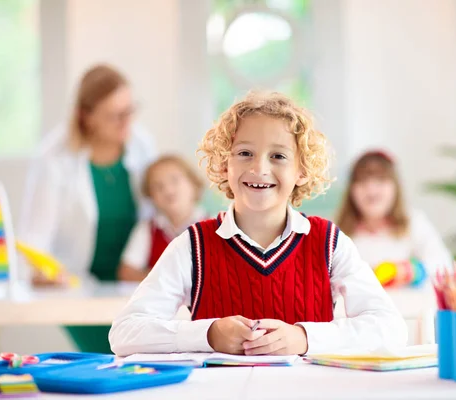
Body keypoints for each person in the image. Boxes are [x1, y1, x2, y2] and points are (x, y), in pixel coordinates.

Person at [109, 91, 407, 357]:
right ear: (225, 165)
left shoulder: (329, 242)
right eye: (244, 153)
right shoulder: (192, 245)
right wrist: (208, 334)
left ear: (301, 170)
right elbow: (124, 333)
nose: (259, 168)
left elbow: (390, 329)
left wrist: (304, 337)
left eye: (278, 156)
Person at [19, 64, 156, 353]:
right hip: (79, 290)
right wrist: (42, 272)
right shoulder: (53, 158)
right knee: (108, 363)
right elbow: (34, 239)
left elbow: (156, 214)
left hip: (133, 288)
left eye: (130, 110)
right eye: (115, 115)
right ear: (86, 115)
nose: (126, 122)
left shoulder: (141, 144)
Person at [336, 150, 452, 286]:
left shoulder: (413, 222)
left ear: (395, 187)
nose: (371, 189)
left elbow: (444, 266)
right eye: (362, 181)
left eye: (380, 180)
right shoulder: (336, 233)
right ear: (351, 190)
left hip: (408, 305)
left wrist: (411, 271)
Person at [118, 155, 208, 282]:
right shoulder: (147, 229)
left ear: (194, 183)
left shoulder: (216, 227)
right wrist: (167, 283)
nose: (168, 190)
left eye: (174, 180)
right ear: (150, 197)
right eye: (158, 186)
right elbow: (127, 272)